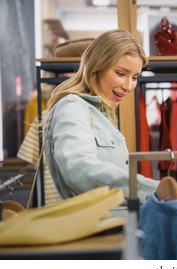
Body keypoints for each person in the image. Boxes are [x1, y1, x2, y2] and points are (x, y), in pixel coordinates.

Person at [42, 29, 159, 204]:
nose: (129, 86)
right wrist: (153, 190)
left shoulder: (102, 113)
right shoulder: (73, 107)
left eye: (135, 77)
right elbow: (79, 168)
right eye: (120, 74)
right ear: (97, 66)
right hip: (92, 223)